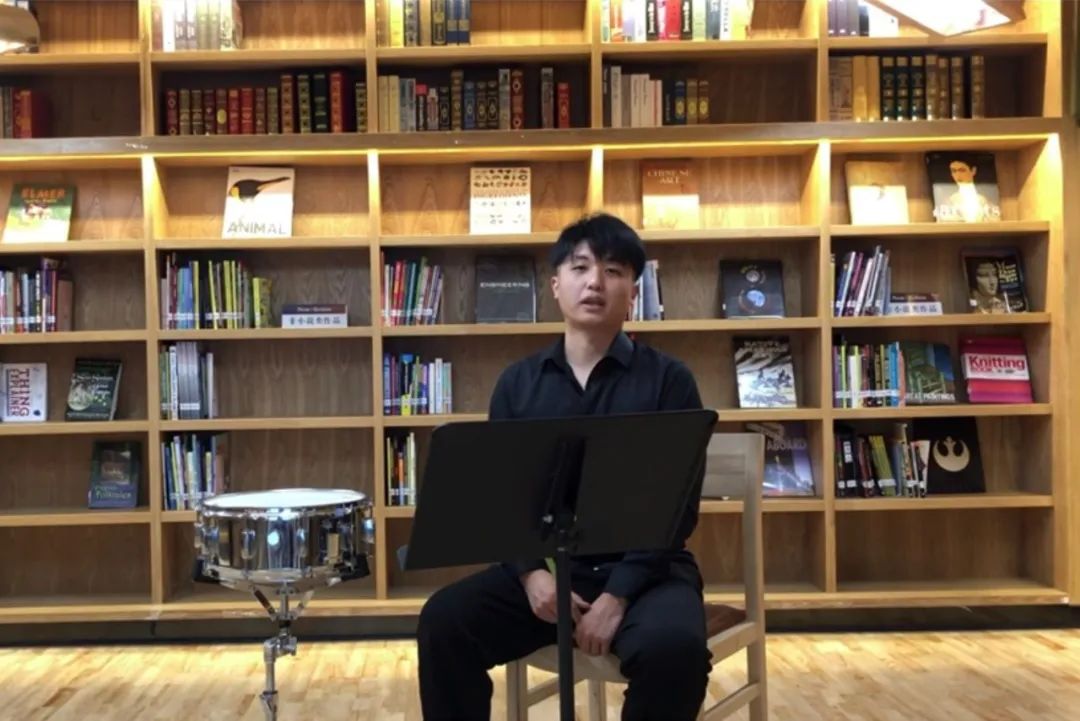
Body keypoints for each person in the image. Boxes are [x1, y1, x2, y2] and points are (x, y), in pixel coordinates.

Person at [416, 212, 712, 721]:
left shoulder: (670, 381)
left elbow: (675, 509)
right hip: (548, 575)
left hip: (647, 574)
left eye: (614, 271)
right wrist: (531, 575)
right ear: (556, 285)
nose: (595, 282)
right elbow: (505, 502)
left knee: (675, 652)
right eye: (580, 267)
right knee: (444, 622)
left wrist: (617, 597)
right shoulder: (517, 384)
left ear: (633, 293)